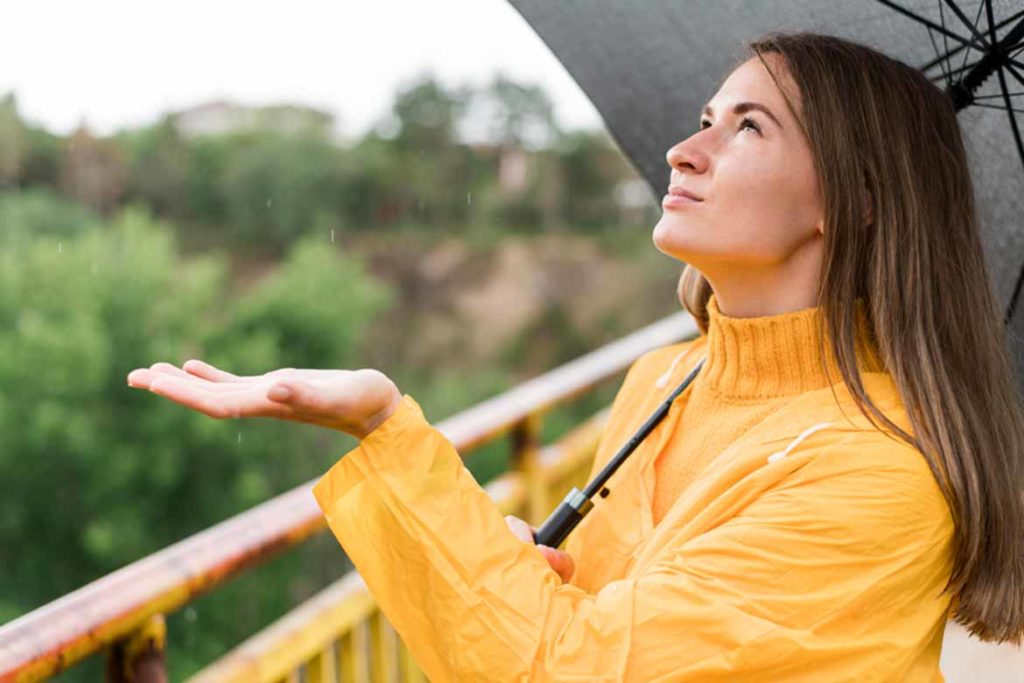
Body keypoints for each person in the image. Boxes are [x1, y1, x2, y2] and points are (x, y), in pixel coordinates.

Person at [127, 32, 1024, 681]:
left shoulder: (878, 473)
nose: (686, 149)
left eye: (748, 128)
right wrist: (524, 573)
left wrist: (384, 427)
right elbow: (565, 632)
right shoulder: (665, 380)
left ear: (859, 198)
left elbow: (569, 669)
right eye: (706, 117)